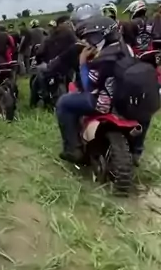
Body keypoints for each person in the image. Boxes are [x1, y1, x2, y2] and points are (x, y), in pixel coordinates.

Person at [55, 15, 156, 164]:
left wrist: (83, 64)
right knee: (145, 114)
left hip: (104, 104)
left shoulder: (103, 59)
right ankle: (136, 150)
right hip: (128, 101)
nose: (89, 41)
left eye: (91, 37)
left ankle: (72, 149)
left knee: (63, 103)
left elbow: (89, 86)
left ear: (102, 36)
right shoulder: (127, 49)